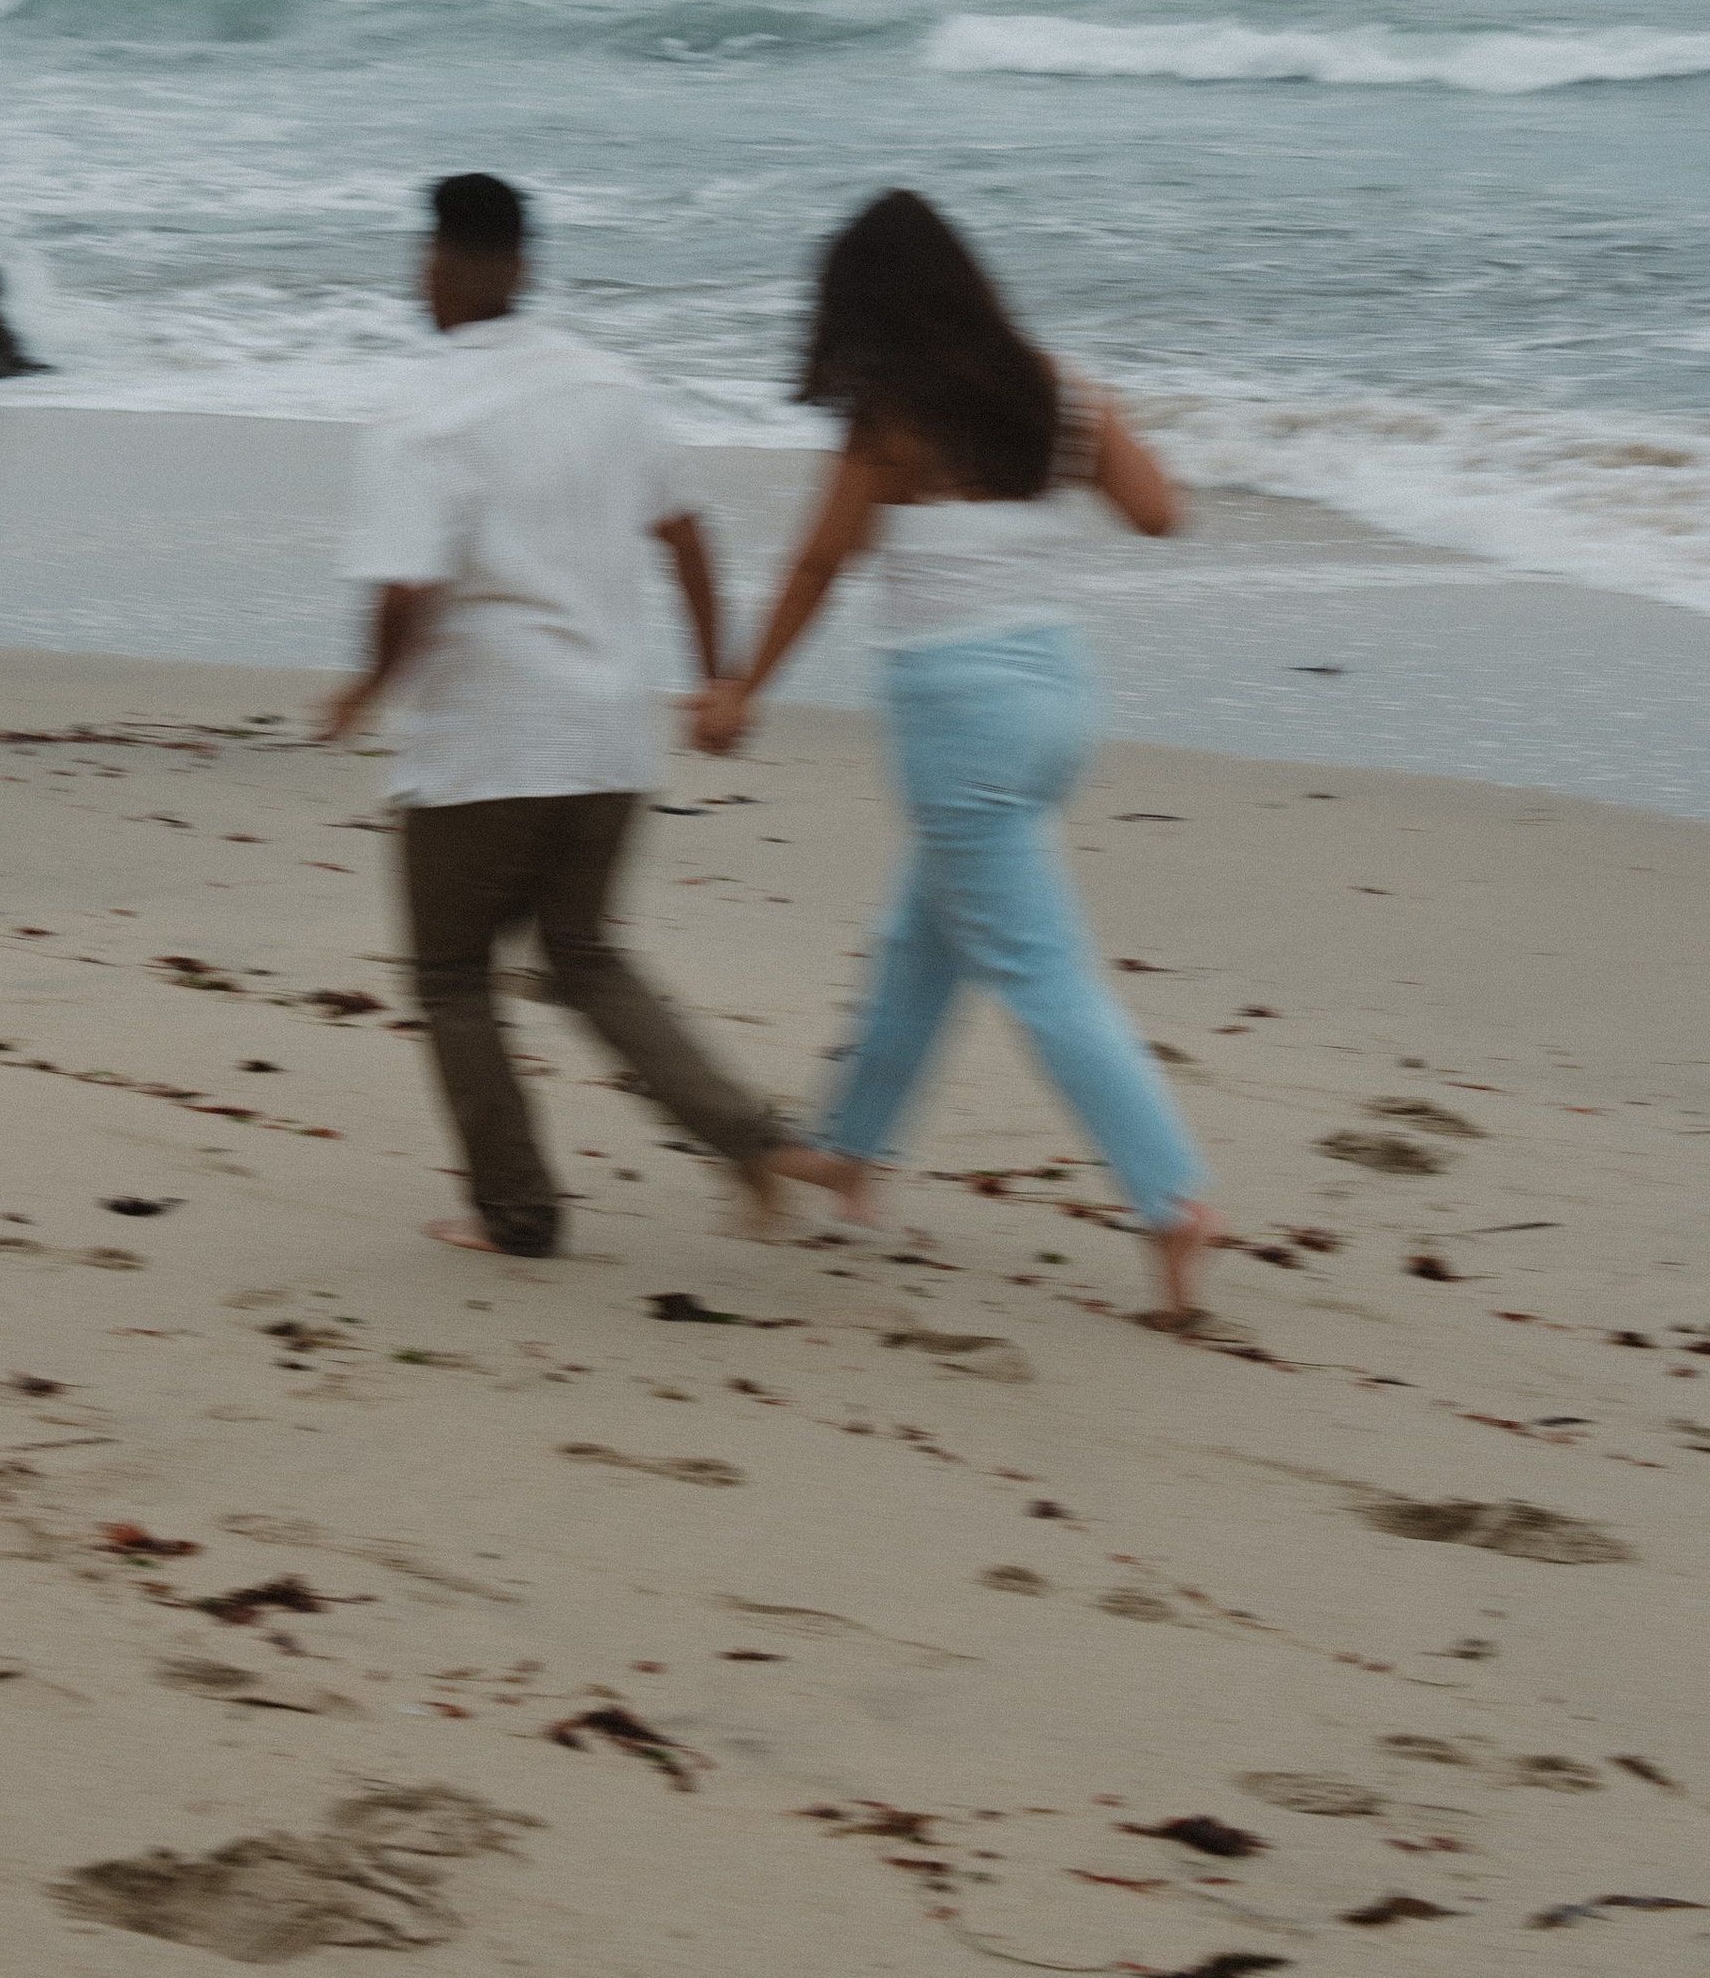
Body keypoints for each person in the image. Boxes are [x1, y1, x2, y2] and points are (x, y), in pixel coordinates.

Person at [692, 189, 1217, 1325]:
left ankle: (1172, 1202)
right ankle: (847, 1151)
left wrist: (740, 685)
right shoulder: (1058, 385)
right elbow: (1161, 513)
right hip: (1060, 699)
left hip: (959, 718)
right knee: (923, 935)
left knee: (1040, 973)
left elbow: (819, 565)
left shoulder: (893, 414)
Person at [321, 171, 833, 1257]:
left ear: (446, 266)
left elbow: (405, 591)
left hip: (487, 749)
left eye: (426, 255)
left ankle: (516, 1211)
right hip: (608, 741)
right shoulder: (609, 387)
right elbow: (687, 530)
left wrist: (365, 688)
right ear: (525, 265)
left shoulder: (418, 417)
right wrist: (717, 677)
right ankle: (750, 1142)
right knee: (584, 956)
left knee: (453, 977)